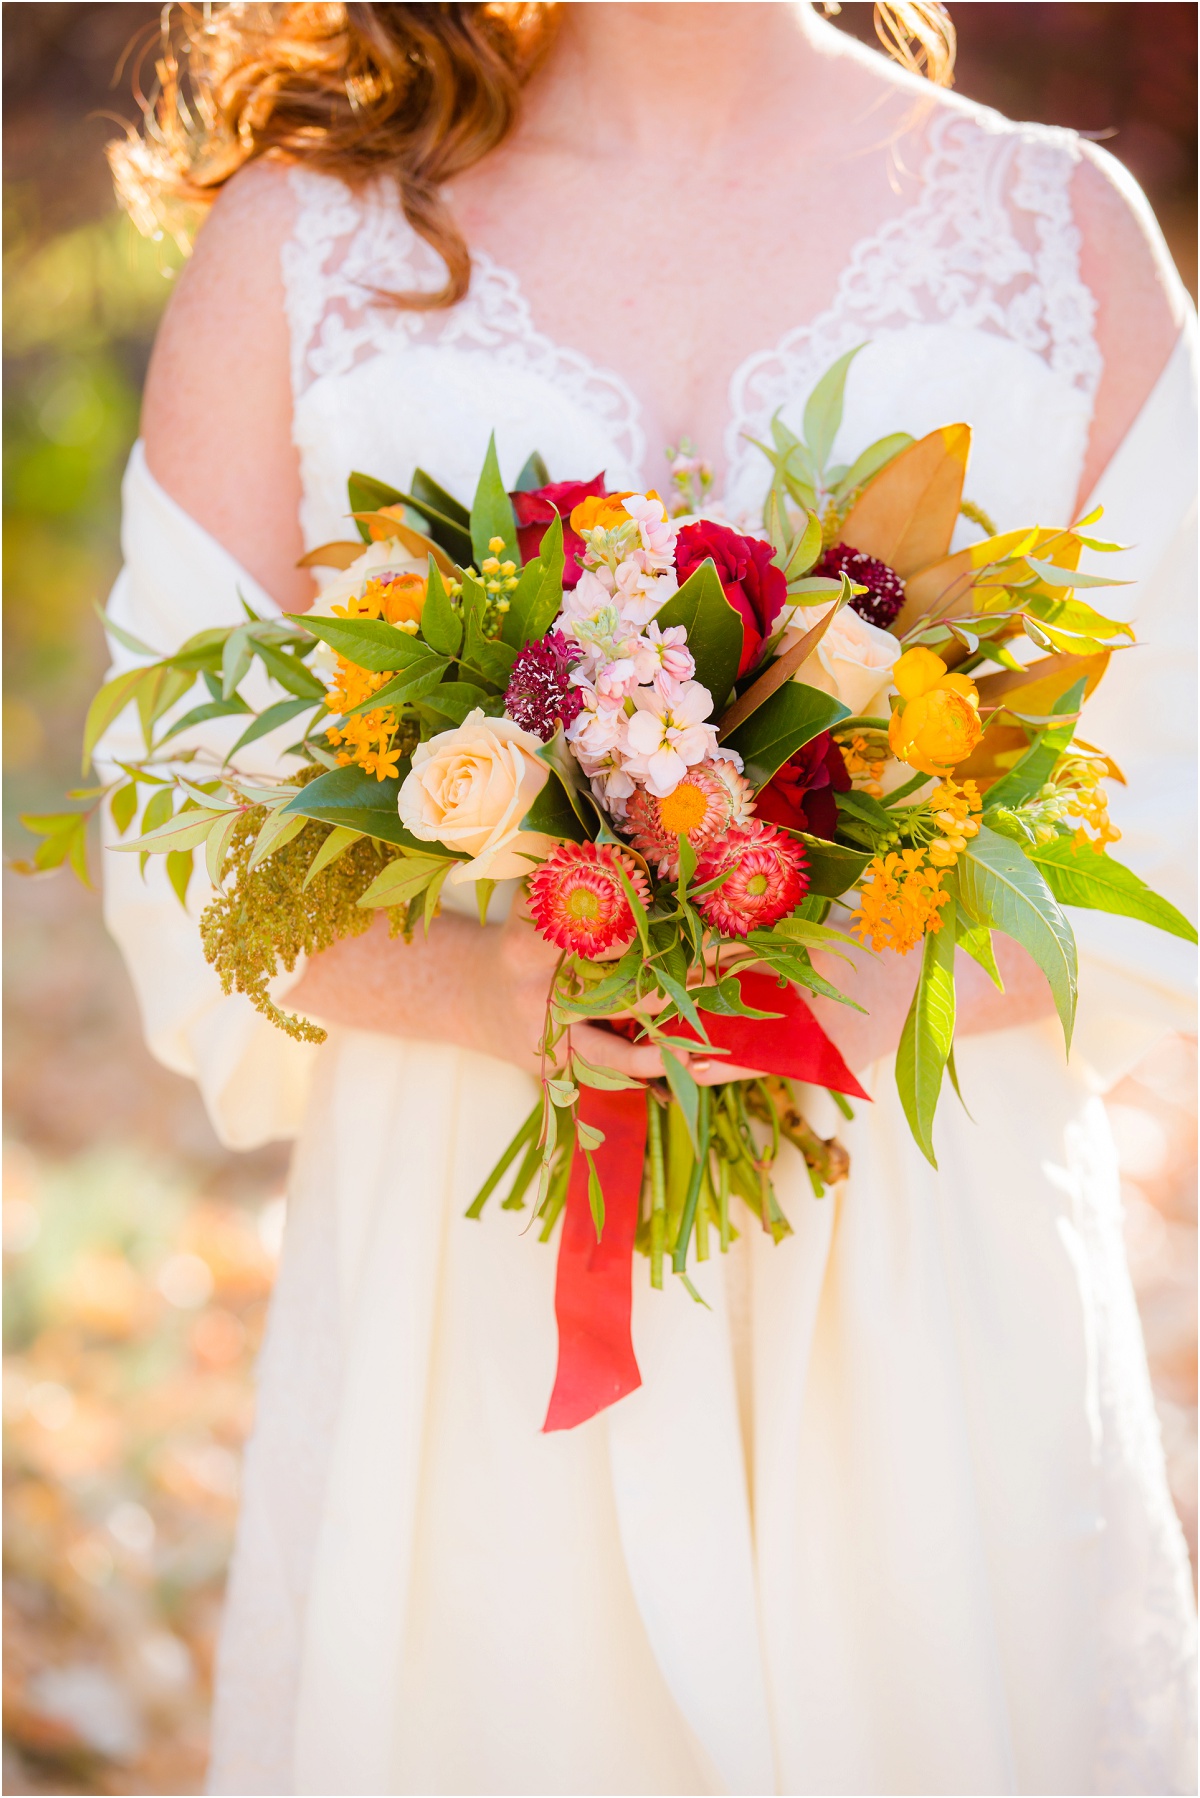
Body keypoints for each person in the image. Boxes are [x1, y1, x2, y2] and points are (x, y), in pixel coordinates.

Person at [100, 3, 1196, 1791]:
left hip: (919, 1284)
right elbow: (189, 832)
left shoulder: (1056, 239)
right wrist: (502, 988)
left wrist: (846, 979)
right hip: (474, 1293)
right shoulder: (309, 242)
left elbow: (1180, 826)